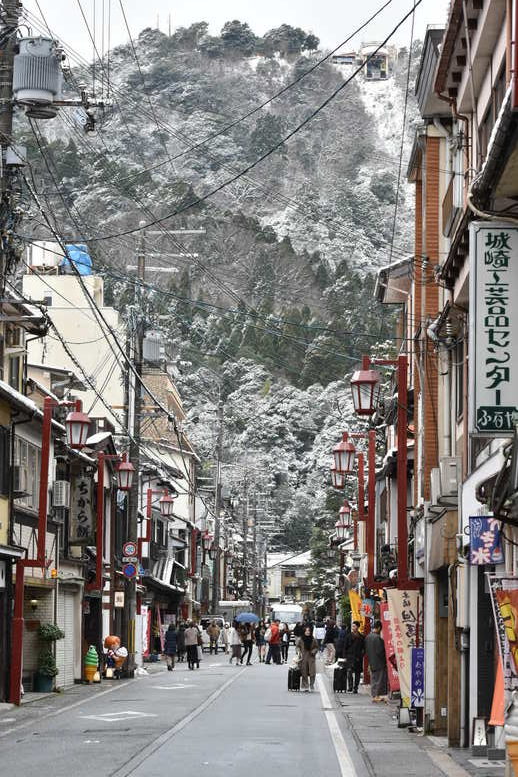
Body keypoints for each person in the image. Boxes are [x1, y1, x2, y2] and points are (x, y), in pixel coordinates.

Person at [365, 620, 388, 702]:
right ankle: (377, 696)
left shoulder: (368, 637)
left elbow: (366, 650)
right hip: (379, 662)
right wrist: (385, 660)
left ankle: (374, 695)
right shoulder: (378, 638)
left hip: (371, 661)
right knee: (379, 679)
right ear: (378, 628)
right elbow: (380, 651)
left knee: (374, 679)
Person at [344, 620, 365, 693]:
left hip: (358, 657)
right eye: (352, 626)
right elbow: (345, 647)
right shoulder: (348, 636)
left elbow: (364, 648)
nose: (353, 627)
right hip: (350, 656)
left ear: (358, 627)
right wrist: (345, 657)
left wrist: (362, 655)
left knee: (357, 673)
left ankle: (355, 687)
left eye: (354, 626)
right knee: (349, 672)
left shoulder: (362, 637)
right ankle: (350, 686)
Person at [297, 625, 318, 692]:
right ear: (304, 632)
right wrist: (299, 652)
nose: (307, 632)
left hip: (311, 657)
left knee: (312, 672)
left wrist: (314, 651)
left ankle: (311, 685)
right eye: (306, 631)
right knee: (304, 672)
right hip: (303, 657)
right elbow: (297, 647)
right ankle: (305, 685)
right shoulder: (301, 639)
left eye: (309, 631)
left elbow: (316, 647)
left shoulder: (313, 639)